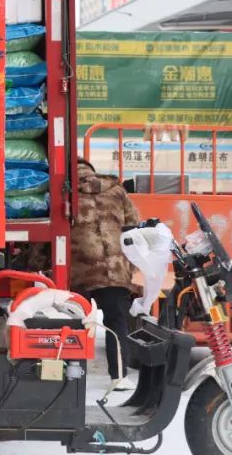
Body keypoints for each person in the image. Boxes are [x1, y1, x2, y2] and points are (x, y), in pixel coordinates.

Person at [72, 157, 140, 391]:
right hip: (114, 269)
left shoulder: (66, 193)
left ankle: (72, 377)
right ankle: (119, 376)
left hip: (78, 270)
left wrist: (34, 263)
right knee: (116, 321)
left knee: (74, 322)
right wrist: (130, 265)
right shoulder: (117, 191)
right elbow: (134, 226)